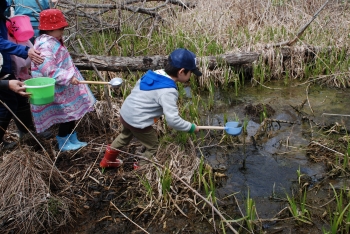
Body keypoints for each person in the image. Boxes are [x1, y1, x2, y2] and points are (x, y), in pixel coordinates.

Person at [99, 48, 202, 169]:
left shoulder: (154, 73)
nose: (191, 76)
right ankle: (140, 168)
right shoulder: (168, 91)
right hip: (138, 121)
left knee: (124, 136)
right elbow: (173, 120)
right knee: (153, 147)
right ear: (182, 71)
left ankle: (107, 161)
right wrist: (191, 127)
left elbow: (138, 91)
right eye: (190, 73)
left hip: (126, 113)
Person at [30, 8, 96, 152]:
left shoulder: (52, 41)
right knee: (67, 114)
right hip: (59, 86)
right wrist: (67, 77)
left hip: (65, 86)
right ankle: (63, 141)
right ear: (50, 30)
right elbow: (48, 69)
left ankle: (72, 137)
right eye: (60, 29)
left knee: (72, 113)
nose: (62, 32)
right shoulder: (45, 46)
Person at [0, 0, 44, 148]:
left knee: (19, 98)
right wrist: (25, 51)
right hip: (2, 68)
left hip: (4, 65)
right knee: (8, 103)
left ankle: (27, 134)